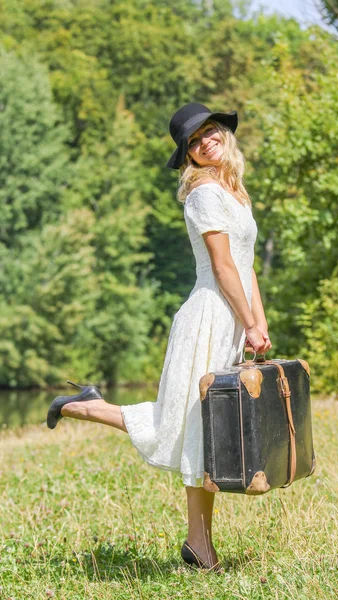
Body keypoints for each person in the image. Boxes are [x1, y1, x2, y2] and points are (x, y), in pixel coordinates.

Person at [46, 102, 272, 571]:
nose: (206, 141)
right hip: (210, 315)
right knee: (194, 428)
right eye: (194, 140)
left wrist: (258, 320)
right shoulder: (203, 194)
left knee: (202, 429)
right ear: (188, 154)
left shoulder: (234, 192)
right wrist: (247, 320)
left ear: (223, 135)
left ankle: (197, 545)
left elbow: (247, 265)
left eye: (210, 131)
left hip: (234, 314)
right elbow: (224, 267)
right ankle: (199, 546)